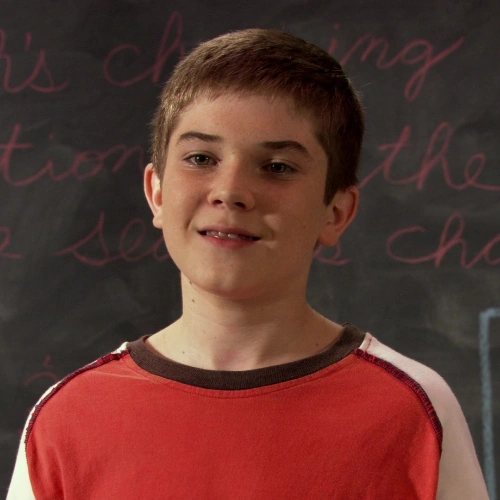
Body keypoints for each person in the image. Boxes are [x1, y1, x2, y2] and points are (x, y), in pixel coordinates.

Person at [8, 28, 489, 499]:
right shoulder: (67, 420)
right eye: (201, 158)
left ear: (336, 212)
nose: (231, 191)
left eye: (278, 167)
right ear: (157, 193)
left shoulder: (411, 410)